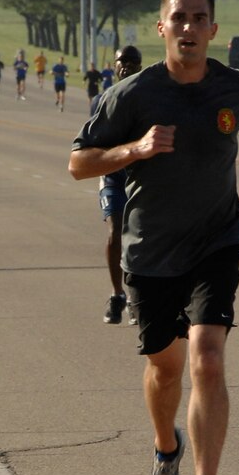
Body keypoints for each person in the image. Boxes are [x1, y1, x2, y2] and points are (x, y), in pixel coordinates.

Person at [68, 0, 239, 475]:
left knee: (206, 360)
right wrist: (133, 150)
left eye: (199, 18)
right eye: (178, 18)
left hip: (217, 239)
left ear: (213, 30)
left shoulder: (237, 87)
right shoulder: (132, 96)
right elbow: (79, 163)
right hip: (151, 251)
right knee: (164, 369)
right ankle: (167, 449)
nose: (188, 27)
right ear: (162, 28)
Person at [90, 46, 143, 325]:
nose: (127, 66)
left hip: (141, 177)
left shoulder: (150, 99)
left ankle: (136, 299)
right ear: (115, 64)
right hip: (113, 176)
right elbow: (93, 139)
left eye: (133, 62)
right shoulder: (101, 100)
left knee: (138, 236)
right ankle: (116, 295)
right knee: (115, 231)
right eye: (123, 61)